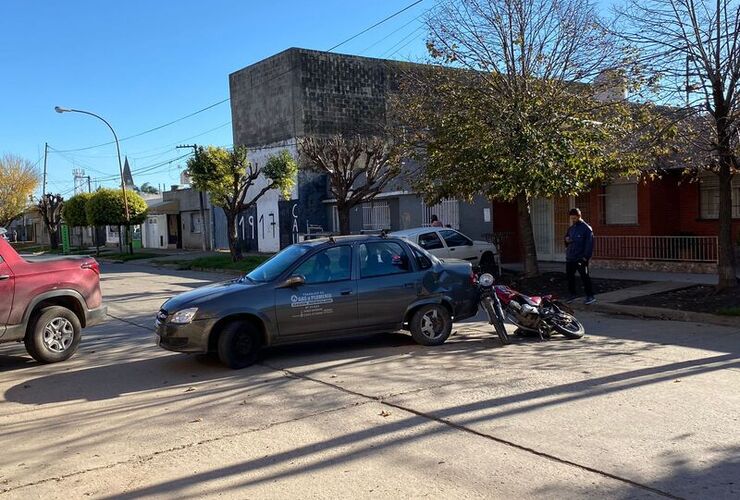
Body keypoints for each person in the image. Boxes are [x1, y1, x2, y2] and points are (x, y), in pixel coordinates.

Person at [564, 208, 595, 305]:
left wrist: (585, 257)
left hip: (581, 258)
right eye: (571, 218)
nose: (573, 220)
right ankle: (572, 295)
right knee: (570, 277)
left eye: (574, 218)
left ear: (579, 216)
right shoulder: (571, 228)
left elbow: (590, 244)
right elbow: (566, 238)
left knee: (585, 277)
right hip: (570, 257)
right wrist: (566, 240)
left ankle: (590, 296)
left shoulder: (586, 228)